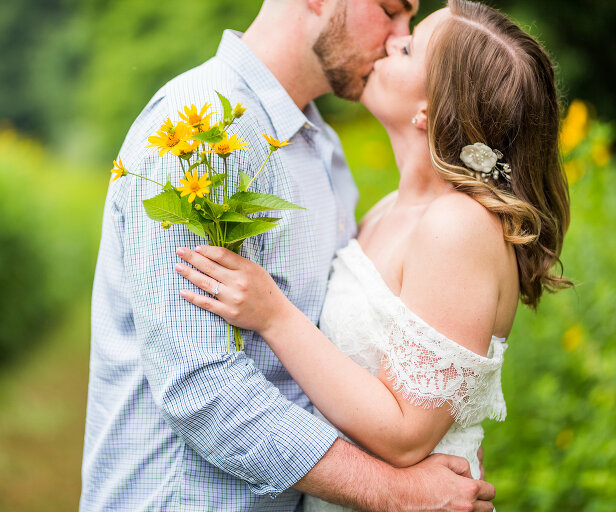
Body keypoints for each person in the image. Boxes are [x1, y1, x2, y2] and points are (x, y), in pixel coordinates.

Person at [80, 0, 498, 510]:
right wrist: (394, 490)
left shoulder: (319, 144)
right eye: (391, 10)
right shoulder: (200, 136)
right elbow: (200, 385)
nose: (397, 36)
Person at [173, 1, 571, 511]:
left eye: (406, 50)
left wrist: (272, 315)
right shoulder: (389, 209)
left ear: (428, 108)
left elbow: (407, 435)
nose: (388, 42)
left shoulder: (458, 226)